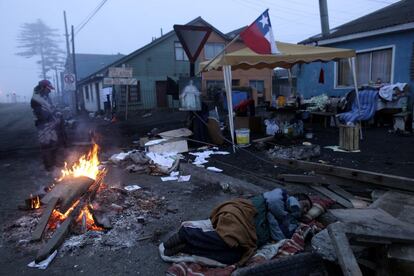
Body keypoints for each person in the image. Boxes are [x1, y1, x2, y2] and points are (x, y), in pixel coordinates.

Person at [162, 188, 312, 265]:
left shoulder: (290, 221)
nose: (304, 211)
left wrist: (289, 218)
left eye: (306, 210)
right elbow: (272, 201)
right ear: (295, 199)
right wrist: (288, 212)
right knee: (229, 238)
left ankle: (186, 248)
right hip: (243, 213)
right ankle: (186, 234)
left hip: (251, 236)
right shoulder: (281, 195)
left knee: (233, 257)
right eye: (304, 205)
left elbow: (281, 237)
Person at [31, 79, 67, 171]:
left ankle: (55, 164)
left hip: (50, 125)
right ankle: (49, 167)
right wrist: (53, 119)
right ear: (43, 88)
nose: (50, 91)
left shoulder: (46, 96)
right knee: (46, 146)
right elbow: (41, 115)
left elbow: (52, 108)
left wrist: (58, 113)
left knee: (54, 143)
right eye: (48, 88)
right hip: (43, 126)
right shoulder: (36, 99)